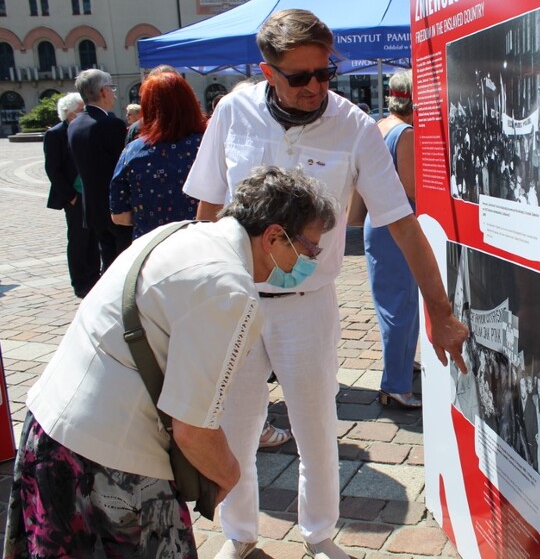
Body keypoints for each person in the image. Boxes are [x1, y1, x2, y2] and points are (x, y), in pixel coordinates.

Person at [182, 9, 468, 559]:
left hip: (307, 305)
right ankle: (239, 534)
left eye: (325, 72)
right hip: (237, 298)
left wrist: (439, 309)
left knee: (315, 426)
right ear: (268, 71)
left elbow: (401, 222)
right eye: (300, 77)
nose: (316, 87)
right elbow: (208, 207)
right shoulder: (233, 112)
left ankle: (318, 534)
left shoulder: (354, 125)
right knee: (237, 426)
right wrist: (196, 294)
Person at [3, 166, 337, 558]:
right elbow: (193, 429)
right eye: (310, 249)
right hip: (108, 463)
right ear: (274, 236)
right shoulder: (230, 289)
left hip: (49, 426)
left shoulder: (178, 233)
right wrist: (228, 474)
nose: (311, 261)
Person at [364, 70, 421, 409]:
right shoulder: (405, 133)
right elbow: (411, 189)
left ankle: (401, 366)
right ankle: (396, 384)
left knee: (395, 303)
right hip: (398, 226)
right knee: (401, 305)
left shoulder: (380, 126)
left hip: (379, 222)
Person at [110, 72, 205, 239]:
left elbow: (119, 216)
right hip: (202, 243)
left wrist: (149, 218)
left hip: (152, 246)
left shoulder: (133, 151)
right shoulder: (207, 145)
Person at [68, 68, 132, 269]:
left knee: (108, 259)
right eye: (112, 88)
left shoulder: (74, 124)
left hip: (93, 207)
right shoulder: (110, 124)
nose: (114, 93)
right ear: (103, 92)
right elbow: (124, 168)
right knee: (124, 263)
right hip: (116, 207)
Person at [43, 92, 100, 298]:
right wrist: (71, 196)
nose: (85, 114)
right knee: (78, 240)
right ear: (69, 113)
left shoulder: (86, 128)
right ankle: (80, 282)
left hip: (91, 192)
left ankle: (94, 277)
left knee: (94, 237)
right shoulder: (56, 134)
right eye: (81, 110)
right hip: (75, 195)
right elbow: (53, 169)